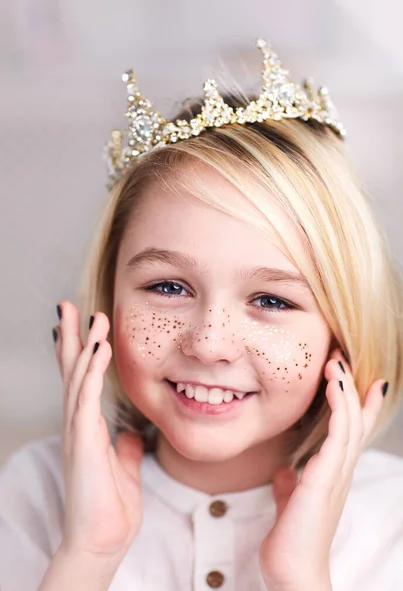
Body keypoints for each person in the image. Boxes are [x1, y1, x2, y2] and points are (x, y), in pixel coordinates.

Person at [1, 39, 402, 591]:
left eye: (271, 301)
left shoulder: (391, 523)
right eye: (168, 286)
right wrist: (88, 555)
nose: (210, 344)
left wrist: (299, 577)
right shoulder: (36, 492)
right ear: (108, 299)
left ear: (342, 327)